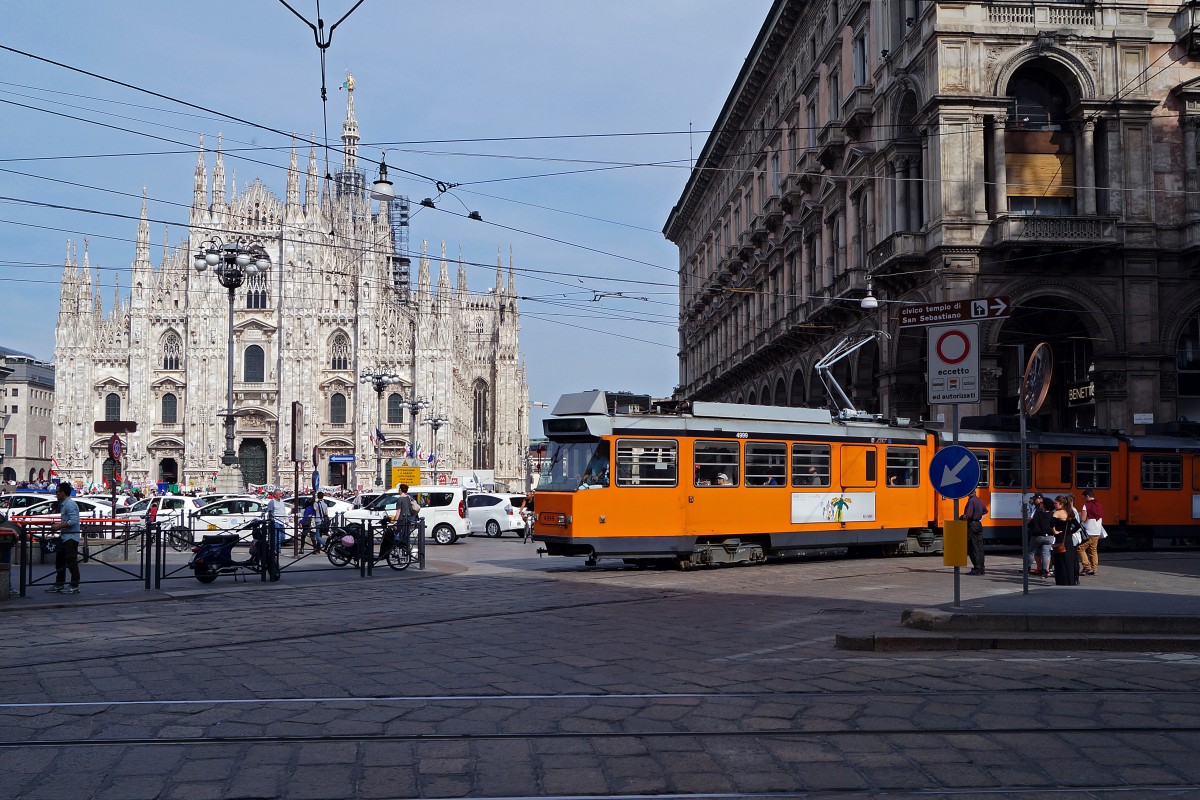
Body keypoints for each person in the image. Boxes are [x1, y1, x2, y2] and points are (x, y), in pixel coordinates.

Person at [46, 482, 81, 594]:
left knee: (71, 561)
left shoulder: (70, 504)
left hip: (71, 537)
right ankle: (59, 583)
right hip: (65, 536)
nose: (55, 494)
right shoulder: (64, 503)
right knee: (60, 561)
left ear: (63, 492)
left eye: (57, 491)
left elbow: (74, 521)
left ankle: (74, 585)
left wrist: (59, 526)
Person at [1051, 494, 1081, 586]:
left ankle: (1062, 581)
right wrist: (1070, 532)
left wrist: (1055, 531)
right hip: (1068, 540)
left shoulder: (1057, 513)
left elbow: (1051, 524)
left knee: (1060, 561)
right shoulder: (1069, 513)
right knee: (1069, 561)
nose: (1054, 505)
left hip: (1060, 539)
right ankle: (1071, 581)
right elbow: (1078, 526)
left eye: (1056, 503)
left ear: (1061, 504)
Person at [960, 487, 987, 575]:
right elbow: (985, 512)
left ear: (969, 493)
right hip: (978, 525)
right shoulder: (979, 500)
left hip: (972, 525)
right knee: (979, 547)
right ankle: (982, 568)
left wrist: (961, 518)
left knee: (973, 547)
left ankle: (977, 569)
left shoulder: (971, 501)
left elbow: (968, 515)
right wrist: (979, 521)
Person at [1077, 488, 1104, 575]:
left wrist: (1080, 514)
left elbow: (1083, 519)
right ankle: (1094, 569)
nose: (1084, 499)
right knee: (1093, 550)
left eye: (1084, 497)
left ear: (1087, 496)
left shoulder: (1086, 505)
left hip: (1089, 531)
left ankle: (1087, 567)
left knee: (1080, 548)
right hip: (1097, 530)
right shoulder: (1099, 504)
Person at [1028, 495, 1055, 578]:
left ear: (1044, 505)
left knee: (1031, 552)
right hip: (1049, 537)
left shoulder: (1038, 513)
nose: (1041, 504)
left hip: (1037, 536)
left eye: (1042, 504)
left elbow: (1032, 523)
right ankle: (1044, 571)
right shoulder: (1052, 514)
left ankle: (1027, 569)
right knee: (1045, 554)